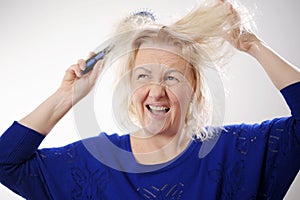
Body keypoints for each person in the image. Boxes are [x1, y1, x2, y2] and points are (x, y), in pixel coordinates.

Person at [0, 1, 299, 199]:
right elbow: (6, 163)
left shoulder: (235, 152)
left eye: (172, 77)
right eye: (143, 76)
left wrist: (252, 45)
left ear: (194, 87)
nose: (156, 91)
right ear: (129, 87)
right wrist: (68, 95)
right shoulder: (93, 164)